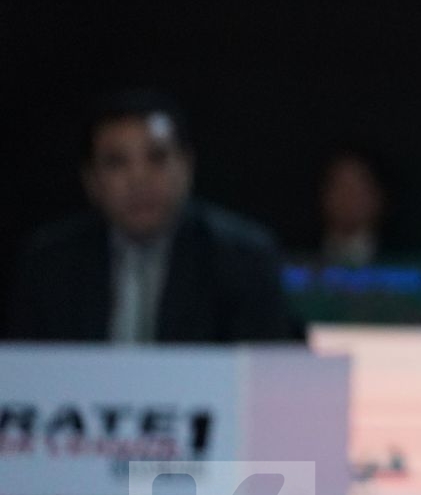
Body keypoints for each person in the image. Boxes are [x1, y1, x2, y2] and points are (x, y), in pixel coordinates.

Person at [5, 91, 295, 343]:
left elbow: (265, 374)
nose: (139, 179)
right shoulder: (49, 262)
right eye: (117, 163)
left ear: (186, 166)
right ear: (91, 180)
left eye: (157, 158)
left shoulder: (242, 259)